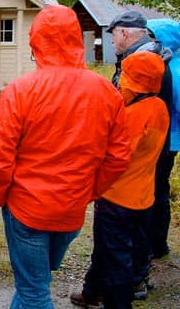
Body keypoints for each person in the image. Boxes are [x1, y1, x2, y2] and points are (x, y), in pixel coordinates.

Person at [0, 5, 131, 308]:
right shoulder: (106, 91)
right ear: (77, 40)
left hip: (26, 208)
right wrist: (89, 191)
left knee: (34, 290)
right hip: (70, 209)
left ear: (36, 43)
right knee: (33, 281)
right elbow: (119, 156)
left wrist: (2, 195)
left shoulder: (20, 90)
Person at [71, 51, 170, 309]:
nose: (121, 80)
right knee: (110, 250)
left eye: (125, 75)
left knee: (116, 257)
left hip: (117, 197)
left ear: (135, 80)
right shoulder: (159, 107)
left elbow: (114, 156)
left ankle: (117, 302)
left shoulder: (134, 114)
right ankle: (92, 292)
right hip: (143, 195)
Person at [145, 18, 180, 260]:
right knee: (156, 189)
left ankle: (157, 244)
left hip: (167, 140)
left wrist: (178, 129)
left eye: (151, 35)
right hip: (163, 138)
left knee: (157, 191)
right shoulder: (165, 65)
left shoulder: (173, 71)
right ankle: (154, 242)